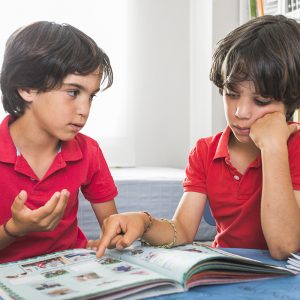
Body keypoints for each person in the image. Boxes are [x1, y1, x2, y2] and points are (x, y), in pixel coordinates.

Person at [95, 15, 300, 260]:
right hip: (227, 271)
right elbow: (181, 229)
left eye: (261, 101)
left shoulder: (294, 147)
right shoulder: (205, 151)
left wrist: (273, 146)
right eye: (231, 94)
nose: (240, 112)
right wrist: (144, 222)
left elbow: (283, 246)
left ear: (291, 100)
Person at [0, 21, 118, 263]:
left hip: (69, 272)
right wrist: (14, 229)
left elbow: (112, 229)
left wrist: (111, 240)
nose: (84, 110)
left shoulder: (89, 151)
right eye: (73, 92)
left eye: (91, 96)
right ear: (27, 88)